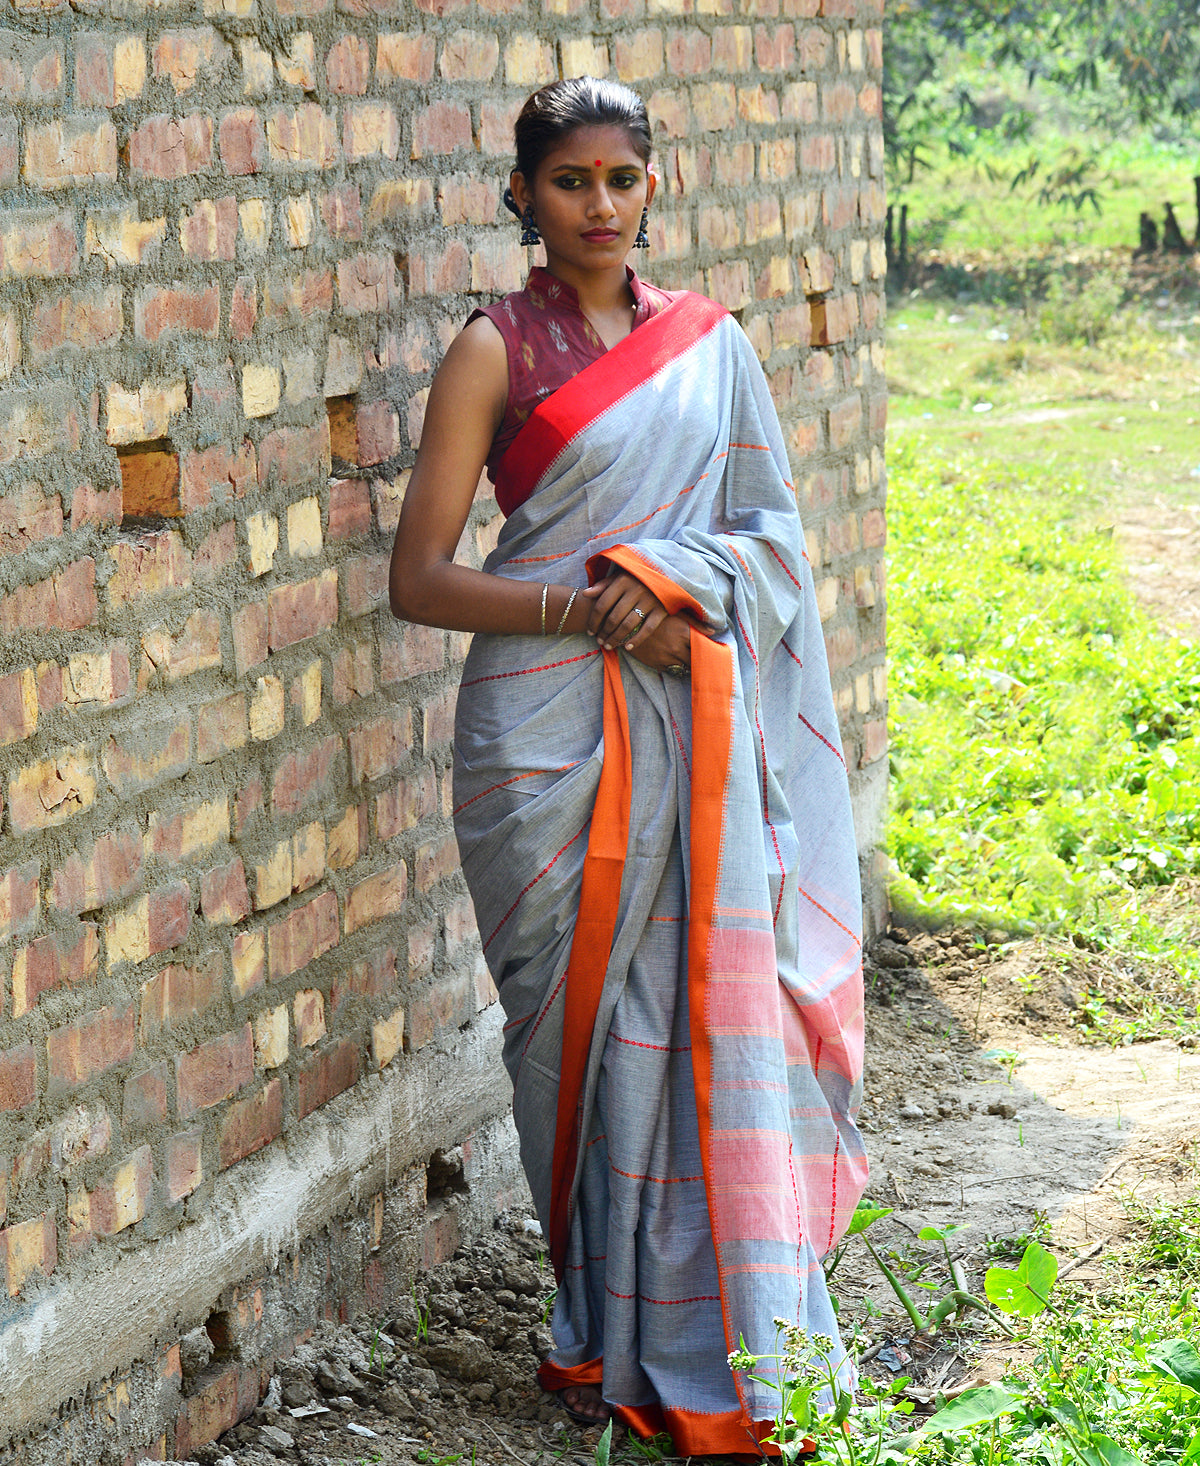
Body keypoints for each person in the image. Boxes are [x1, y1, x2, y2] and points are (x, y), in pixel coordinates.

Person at [389, 76, 868, 1457]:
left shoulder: (710, 347)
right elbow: (421, 579)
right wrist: (592, 609)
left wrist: (673, 593)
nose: (598, 205)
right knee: (575, 1034)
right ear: (522, 195)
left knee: (698, 1012)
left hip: (682, 711)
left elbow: (774, 543)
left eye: (621, 178)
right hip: (539, 740)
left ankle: (714, 1331)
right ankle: (608, 1315)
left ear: (655, 186)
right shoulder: (493, 350)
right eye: (569, 181)